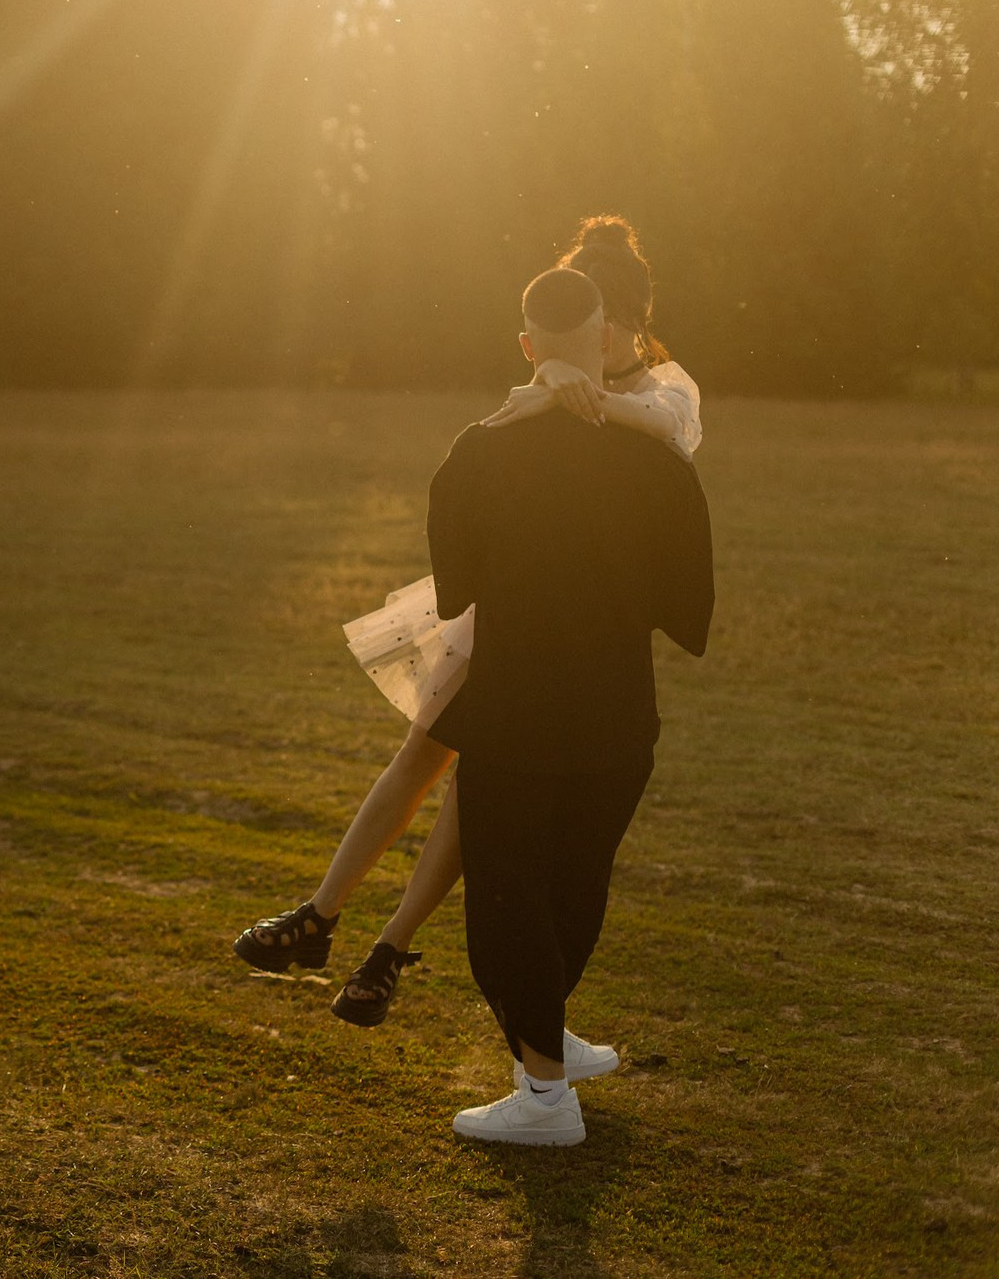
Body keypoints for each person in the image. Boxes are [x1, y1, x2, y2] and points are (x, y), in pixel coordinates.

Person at [232, 217, 703, 1032]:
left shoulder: (664, 388)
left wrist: (573, 390)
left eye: (609, 313)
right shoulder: (551, 374)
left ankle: (385, 946)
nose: (596, 327)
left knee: (475, 784)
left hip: (575, 617)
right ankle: (323, 913)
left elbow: (672, 431)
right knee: (423, 753)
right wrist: (555, 383)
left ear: (627, 318)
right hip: (512, 599)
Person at [433, 265, 712, 1144]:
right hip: (620, 720)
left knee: (506, 906)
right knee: (573, 890)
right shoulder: (655, 461)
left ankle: (546, 1097)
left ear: (527, 349)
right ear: (603, 342)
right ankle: (551, 1049)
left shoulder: (477, 452)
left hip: (516, 719)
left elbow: (452, 597)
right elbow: (689, 612)